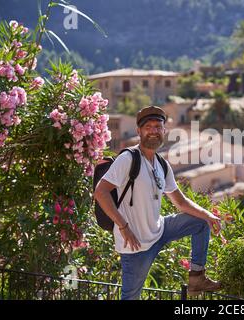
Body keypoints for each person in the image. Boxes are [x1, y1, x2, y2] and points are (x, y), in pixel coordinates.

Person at [94, 106, 222, 300]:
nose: (153, 131)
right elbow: (100, 192)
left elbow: (180, 202)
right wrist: (123, 226)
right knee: (130, 298)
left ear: (164, 131)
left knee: (200, 222)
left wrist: (208, 215)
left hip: (160, 230)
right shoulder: (128, 159)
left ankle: (197, 277)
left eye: (158, 127)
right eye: (148, 127)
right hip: (135, 245)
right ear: (139, 131)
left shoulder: (161, 164)